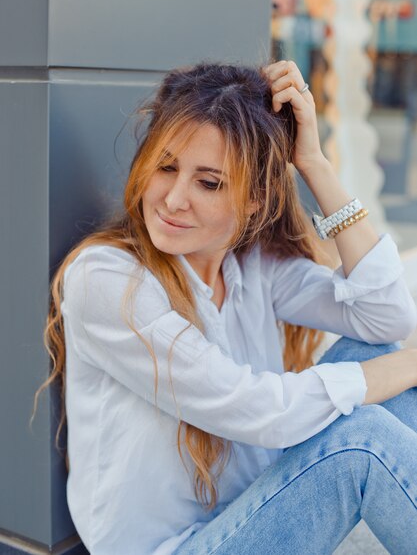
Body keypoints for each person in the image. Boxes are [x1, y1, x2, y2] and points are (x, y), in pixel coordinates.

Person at [33, 60, 417, 555]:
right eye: (165, 167)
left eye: (208, 183)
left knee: (375, 357)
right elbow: (253, 407)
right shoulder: (108, 280)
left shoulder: (252, 268)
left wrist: (315, 164)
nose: (173, 199)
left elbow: (387, 318)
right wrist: (406, 365)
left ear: (255, 198)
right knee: (363, 436)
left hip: (252, 512)